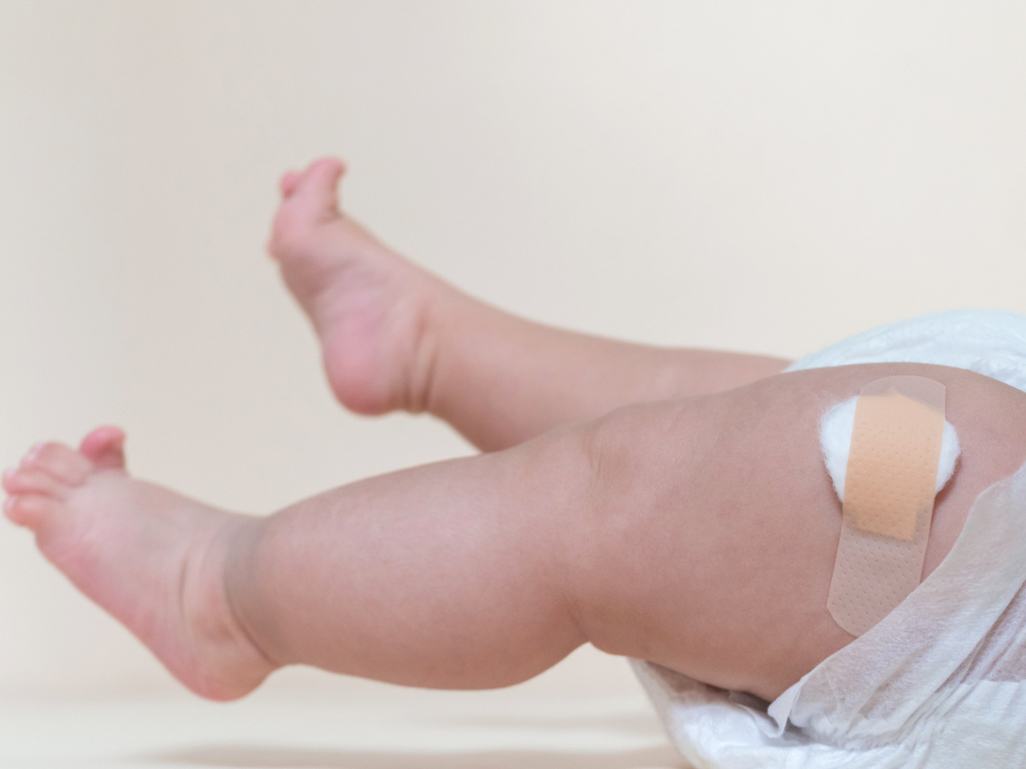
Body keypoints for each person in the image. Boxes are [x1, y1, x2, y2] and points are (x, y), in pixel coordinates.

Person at [4, 158, 1026, 713]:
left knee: (651, 493)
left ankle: (222, 590)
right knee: (743, 423)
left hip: (984, 599)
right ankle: (430, 348)